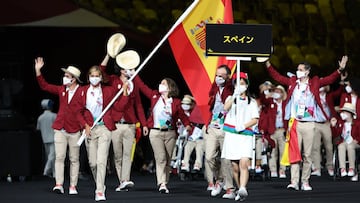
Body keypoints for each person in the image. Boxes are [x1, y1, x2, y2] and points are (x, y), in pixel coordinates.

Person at [265, 55, 348, 191]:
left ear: (307, 72)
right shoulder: (293, 82)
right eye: (297, 69)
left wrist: (340, 69)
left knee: (307, 154)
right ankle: (293, 181)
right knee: (294, 153)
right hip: (295, 123)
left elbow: (329, 79)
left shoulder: (314, 82)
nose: (298, 72)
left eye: (301, 69)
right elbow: (278, 77)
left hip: (309, 123)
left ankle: (305, 181)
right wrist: (267, 64)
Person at [34, 57, 88, 195]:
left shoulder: (82, 92)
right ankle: (59, 184)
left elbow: (82, 111)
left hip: (75, 130)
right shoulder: (61, 89)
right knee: (59, 157)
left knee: (74, 159)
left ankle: (73, 186)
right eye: (64, 75)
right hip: (60, 128)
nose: (64, 77)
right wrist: (38, 71)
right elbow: (44, 86)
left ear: (74, 79)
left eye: (67, 76)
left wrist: (85, 126)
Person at [100, 49, 148, 192]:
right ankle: (122, 180)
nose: (129, 70)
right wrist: (108, 55)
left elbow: (139, 105)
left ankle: (125, 180)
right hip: (115, 124)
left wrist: (143, 124)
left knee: (128, 154)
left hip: (130, 124)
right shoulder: (113, 80)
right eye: (127, 68)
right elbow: (101, 71)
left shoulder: (134, 83)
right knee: (118, 154)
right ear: (121, 69)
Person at [134, 76, 191, 194]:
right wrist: (134, 74)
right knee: (161, 158)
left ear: (170, 88)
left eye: (164, 83)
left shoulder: (175, 102)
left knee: (168, 158)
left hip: (170, 133)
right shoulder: (154, 96)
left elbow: (182, 116)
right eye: (161, 83)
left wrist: (187, 125)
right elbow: (142, 86)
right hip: (156, 132)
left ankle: (165, 181)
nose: (161, 85)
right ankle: (162, 183)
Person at [80, 65, 124, 201]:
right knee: (93, 162)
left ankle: (99, 190)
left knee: (101, 160)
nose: (94, 78)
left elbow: (120, 105)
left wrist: (126, 91)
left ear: (101, 77)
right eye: (92, 75)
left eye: (97, 75)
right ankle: (100, 184)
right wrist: (85, 125)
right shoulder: (82, 91)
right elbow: (77, 111)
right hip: (90, 129)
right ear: (88, 77)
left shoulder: (109, 91)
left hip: (104, 128)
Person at [222, 72, 259, 201]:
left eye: (242, 83)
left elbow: (255, 119)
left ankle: (243, 187)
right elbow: (225, 108)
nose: (240, 86)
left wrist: (244, 125)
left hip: (245, 135)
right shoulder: (230, 99)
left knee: (244, 163)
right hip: (232, 136)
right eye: (238, 83)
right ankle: (239, 188)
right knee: (235, 166)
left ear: (247, 85)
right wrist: (234, 95)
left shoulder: (252, 102)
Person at [205, 64, 235, 199]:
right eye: (217, 75)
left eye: (221, 75)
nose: (218, 77)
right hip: (213, 126)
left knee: (226, 159)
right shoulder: (214, 88)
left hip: (225, 128)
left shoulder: (231, 89)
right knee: (209, 157)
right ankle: (219, 180)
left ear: (227, 77)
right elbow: (210, 106)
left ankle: (229, 188)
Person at [311, 76, 346, 177]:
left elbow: (339, 92)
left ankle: (330, 166)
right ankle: (317, 168)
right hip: (316, 123)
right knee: (315, 147)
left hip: (326, 123)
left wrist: (342, 82)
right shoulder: (313, 96)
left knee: (329, 146)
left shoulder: (329, 96)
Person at [259, 83, 288, 178]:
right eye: (275, 91)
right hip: (272, 130)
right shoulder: (270, 102)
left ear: (283, 93)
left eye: (279, 92)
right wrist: (266, 90)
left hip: (282, 130)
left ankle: (282, 170)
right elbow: (263, 99)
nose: (277, 93)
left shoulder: (285, 103)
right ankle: (273, 170)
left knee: (283, 151)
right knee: (272, 151)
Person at [330, 103, 360, 179]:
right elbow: (336, 135)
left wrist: (356, 140)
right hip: (344, 142)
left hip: (355, 142)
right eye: (342, 112)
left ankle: (351, 168)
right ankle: (342, 168)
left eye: (345, 112)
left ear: (350, 114)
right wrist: (333, 126)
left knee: (350, 146)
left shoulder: (357, 123)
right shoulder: (341, 123)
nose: (342, 114)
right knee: (341, 146)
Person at [180, 95, 205, 172]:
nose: (185, 106)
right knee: (187, 146)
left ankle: (198, 165)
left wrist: (192, 98)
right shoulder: (183, 114)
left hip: (201, 138)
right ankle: (185, 164)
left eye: (187, 104)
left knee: (199, 148)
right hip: (191, 137)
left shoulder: (197, 111)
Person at [37, 99, 57, 178]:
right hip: (53, 138)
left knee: (50, 156)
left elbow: (38, 128)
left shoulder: (40, 117)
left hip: (45, 138)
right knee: (52, 156)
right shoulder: (54, 115)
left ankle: (54, 173)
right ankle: (46, 171)